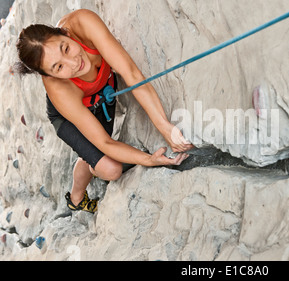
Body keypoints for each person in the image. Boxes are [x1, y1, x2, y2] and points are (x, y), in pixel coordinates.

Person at [15, 9, 194, 213]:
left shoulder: (83, 24)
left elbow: (132, 73)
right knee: (110, 168)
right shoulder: (60, 90)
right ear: (49, 75)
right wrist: (149, 160)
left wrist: (164, 127)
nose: (73, 63)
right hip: (70, 115)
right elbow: (105, 142)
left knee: (96, 151)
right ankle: (77, 197)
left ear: (64, 32)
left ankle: (90, 158)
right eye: (58, 67)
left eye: (65, 49)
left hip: (100, 93)